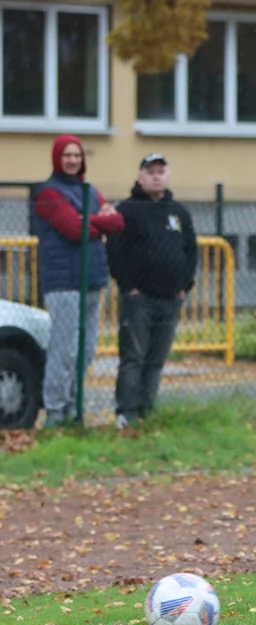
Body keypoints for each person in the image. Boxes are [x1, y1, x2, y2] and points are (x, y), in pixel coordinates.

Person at [32, 134, 125, 427]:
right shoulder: (48, 194)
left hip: (92, 280)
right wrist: (95, 219)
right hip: (63, 285)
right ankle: (56, 409)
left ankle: (74, 403)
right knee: (63, 348)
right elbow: (74, 230)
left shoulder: (89, 190)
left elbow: (118, 223)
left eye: (76, 155)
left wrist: (88, 218)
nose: (72, 160)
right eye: (66, 155)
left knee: (86, 350)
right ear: (57, 158)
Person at [107, 154, 198, 428]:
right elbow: (115, 250)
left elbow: (190, 250)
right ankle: (127, 413)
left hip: (170, 298)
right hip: (139, 299)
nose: (156, 176)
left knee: (156, 360)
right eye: (151, 171)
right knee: (133, 357)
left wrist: (184, 286)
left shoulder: (179, 212)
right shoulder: (128, 210)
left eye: (161, 171)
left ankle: (148, 410)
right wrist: (128, 286)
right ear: (140, 177)